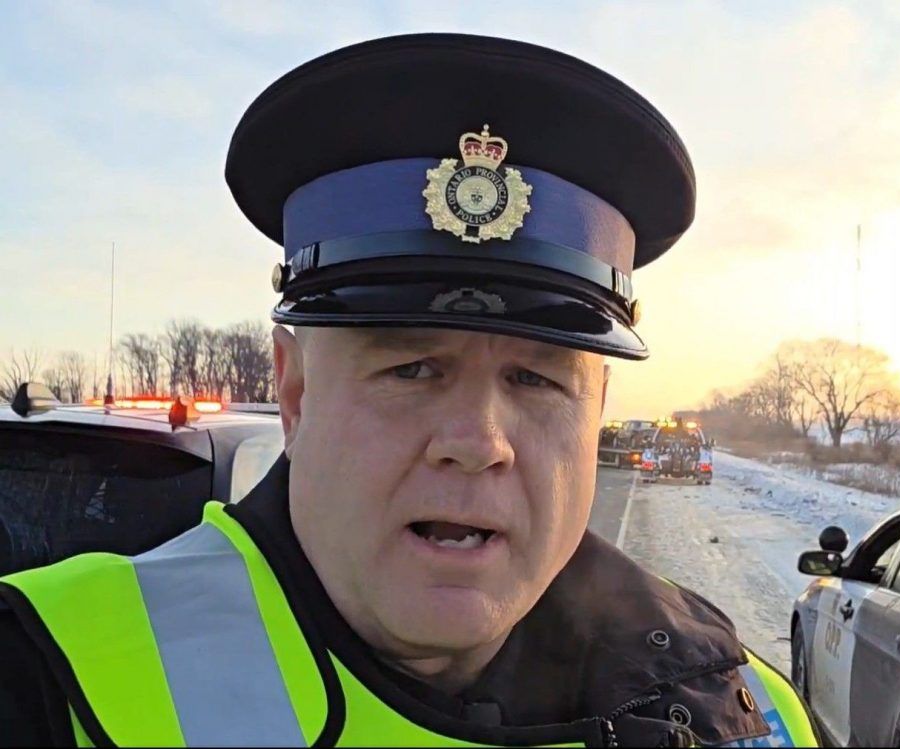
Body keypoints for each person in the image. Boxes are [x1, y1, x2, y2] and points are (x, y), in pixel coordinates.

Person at [0, 33, 819, 747]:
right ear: (295, 392)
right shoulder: (40, 671)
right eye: (412, 369)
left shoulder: (743, 717)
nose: (478, 441)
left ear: (594, 412)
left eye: (536, 377)